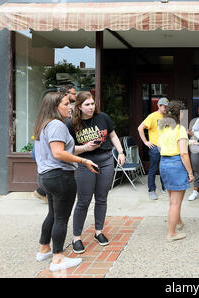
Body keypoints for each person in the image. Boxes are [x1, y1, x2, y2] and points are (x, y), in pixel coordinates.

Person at [33, 92, 98, 272]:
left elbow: (65, 148)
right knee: (61, 218)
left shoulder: (44, 124)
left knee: (53, 214)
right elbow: (59, 153)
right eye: (66, 104)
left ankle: (44, 248)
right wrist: (84, 161)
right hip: (60, 176)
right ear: (55, 107)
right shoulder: (57, 125)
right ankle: (58, 259)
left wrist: (85, 148)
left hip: (46, 177)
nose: (70, 107)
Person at [66, 91, 126, 254]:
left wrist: (120, 152)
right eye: (87, 104)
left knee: (101, 198)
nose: (91, 107)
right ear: (79, 106)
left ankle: (98, 231)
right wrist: (86, 147)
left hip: (106, 160)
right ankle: (76, 237)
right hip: (85, 162)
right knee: (83, 201)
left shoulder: (103, 117)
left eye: (92, 104)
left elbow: (113, 136)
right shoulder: (71, 124)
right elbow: (67, 149)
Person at [158, 100, 194, 242]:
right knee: (175, 202)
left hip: (164, 163)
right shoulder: (180, 129)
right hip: (176, 164)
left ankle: (177, 222)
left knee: (172, 198)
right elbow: (184, 154)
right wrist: (190, 172)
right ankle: (171, 233)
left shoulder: (164, 128)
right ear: (180, 114)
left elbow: (162, 146)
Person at [138, 97, 169, 200]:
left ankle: (165, 187)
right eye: (164, 106)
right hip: (155, 147)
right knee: (153, 169)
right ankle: (151, 190)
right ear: (159, 106)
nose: (165, 108)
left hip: (165, 147)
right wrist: (146, 142)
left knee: (164, 168)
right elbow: (140, 128)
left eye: (166, 106)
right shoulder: (152, 116)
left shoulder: (168, 117)